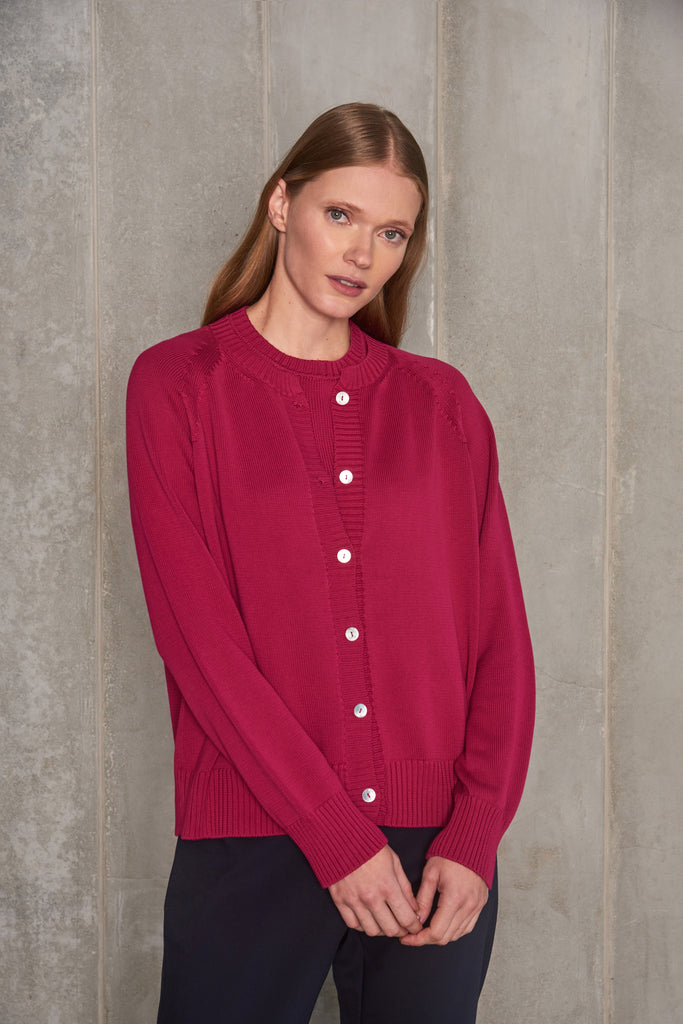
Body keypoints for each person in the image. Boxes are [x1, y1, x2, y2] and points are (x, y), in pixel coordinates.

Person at [126, 102, 535, 1024]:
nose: (362, 253)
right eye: (340, 215)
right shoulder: (177, 385)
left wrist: (474, 835)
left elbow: (499, 642)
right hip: (253, 834)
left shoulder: (442, 405)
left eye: (392, 232)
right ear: (282, 205)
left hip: (434, 856)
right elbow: (200, 645)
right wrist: (334, 834)